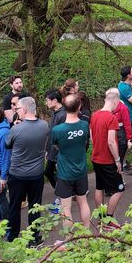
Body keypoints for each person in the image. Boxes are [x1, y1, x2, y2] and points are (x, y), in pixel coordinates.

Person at [5, 97, 49, 243]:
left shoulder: (16, 129)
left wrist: (16, 126)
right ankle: (34, 237)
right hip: (36, 174)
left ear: (23, 110)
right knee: (35, 206)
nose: (16, 111)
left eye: (17, 109)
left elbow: (7, 145)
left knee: (14, 206)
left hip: (17, 174)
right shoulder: (44, 125)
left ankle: (12, 236)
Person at [51, 94, 91, 229]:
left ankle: (69, 240)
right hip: (81, 171)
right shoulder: (85, 125)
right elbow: (86, 141)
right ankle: (87, 233)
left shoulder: (57, 130)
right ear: (79, 106)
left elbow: (56, 146)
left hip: (64, 173)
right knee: (83, 202)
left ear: (64, 107)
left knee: (66, 208)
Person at [90, 89, 124, 226]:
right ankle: (109, 219)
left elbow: (92, 136)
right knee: (119, 189)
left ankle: (101, 217)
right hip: (107, 160)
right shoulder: (111, 118)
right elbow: (111, 141)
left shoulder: (94, 115)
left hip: (96, 157)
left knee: (100, 187)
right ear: (115, 101)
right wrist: (117, 160)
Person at [44, 89, 67, 212]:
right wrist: (47, 149)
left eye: (47, 100)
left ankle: (62, 198)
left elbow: (62, 138)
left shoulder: (63, 115)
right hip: (52, 151)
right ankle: (62, 194)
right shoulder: (55, 113)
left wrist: (59, 156)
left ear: (54, 100)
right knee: (48, 172)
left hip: (59, 152)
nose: (45, 102)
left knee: (56, 174)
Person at [110, 88, 132, 175]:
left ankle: (120, 174)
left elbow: (127, 124)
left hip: (120, 134)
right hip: (111, 133)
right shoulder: (109, 106)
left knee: (120, 155)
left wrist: (129, 139)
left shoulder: (122, 108)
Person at [118, 66, 132, 130]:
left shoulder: (128, 84)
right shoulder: (124, 87)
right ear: (128, 76)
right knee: (129, 136)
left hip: (131, 115)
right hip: (128, 117)